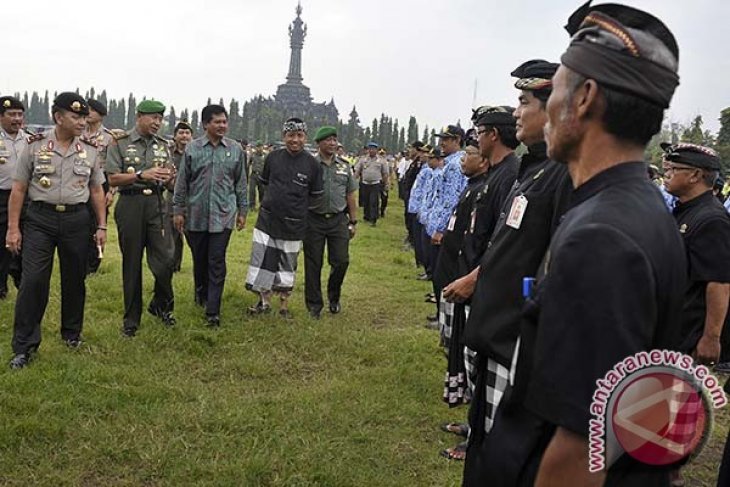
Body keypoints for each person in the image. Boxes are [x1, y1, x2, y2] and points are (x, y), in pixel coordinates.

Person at [475, 4, 685, 485]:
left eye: (558, 89)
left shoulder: (600, 238)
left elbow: (579, 445)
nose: (547, 106)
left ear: (585, 98)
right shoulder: (635, 208)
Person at [440, 60, 572, 483]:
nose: (517, 113)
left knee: (505, 462)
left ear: (554, 108)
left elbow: (553, 268)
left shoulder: (560, 176)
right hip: (494, 337)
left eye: (524, 102)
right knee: (484, 449)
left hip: (516, 341)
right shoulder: (533, 171)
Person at [435, 118, 519, 461]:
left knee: (484, 367)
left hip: (485, 285)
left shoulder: (509, 175)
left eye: (477, 137)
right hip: (470, 276)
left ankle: (481, 440)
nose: (474, 144)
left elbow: (501, 243)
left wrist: (475, 277)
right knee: (472, 364)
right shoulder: (494, 176)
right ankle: (474, 426)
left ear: (492, 137)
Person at [5, 93, 107, 368]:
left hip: (77, 220)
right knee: (34, 281)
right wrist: (13, 229)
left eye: (84, 117)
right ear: (58, 117)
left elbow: (96, 189)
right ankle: (24, 346)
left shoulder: (90, 149)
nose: (81, 122)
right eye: (75, 117)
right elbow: (19, 188)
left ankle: (71, 334)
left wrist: (101, 225)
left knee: (75, 279)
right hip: (40, 220)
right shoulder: (35, 146)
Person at [662, 143, 730, 486]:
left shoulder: (711, 219)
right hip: (670, 332)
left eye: (675, 168)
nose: (666, 172)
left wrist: (711, 336)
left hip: (688, 337)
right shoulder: (683, 211)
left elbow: (718, 283)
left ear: (696, 175)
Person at [106, 99, 176, 337]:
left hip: (158, 203)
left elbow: (169, 178)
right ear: (139, 117)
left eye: (160, 118)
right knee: (132, 263)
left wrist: (169, 178)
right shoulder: (120, 143)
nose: (157, 123)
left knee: (166, 259)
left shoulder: (163, 145)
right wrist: (140, 174)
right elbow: (112, 178)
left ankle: (161, 305)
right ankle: (131, 320)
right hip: (131, 204)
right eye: (153, 118)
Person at [173, 105, 247, 327]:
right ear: (206, 124)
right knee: (200, 259)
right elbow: (182, 183)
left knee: (216, 261)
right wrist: (178, 210)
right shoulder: (192, 149)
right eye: (217, 122)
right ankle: (201, 293)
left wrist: (243, 210)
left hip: (223, 216)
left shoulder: (235, 150)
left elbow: (241, 183)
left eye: (224, 121)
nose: (222, 125)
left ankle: (213, 311)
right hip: (195, 216)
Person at [245, 118, 323, 319]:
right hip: (267, 221)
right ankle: (264, 302)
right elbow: (264, 183)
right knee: (264, 261)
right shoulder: (273, 158)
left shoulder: (312, 164)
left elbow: (315, 197)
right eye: (290, 135)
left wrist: (298, 211)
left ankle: (284, 305)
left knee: (287, 265)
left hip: (294, 224)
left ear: (305, 137)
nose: (294, 140)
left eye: (299, 135)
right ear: (284, 137)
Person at [303, 126, 358, 319]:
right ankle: (314, 305)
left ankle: (334, 298)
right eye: (328, 140)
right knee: (313, 263)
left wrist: (353, 221)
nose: (333, 143)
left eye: (335, 140)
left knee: (341, 261)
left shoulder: (344, 165)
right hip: (313, 220)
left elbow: (350, 194)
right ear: (319, 143)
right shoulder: (309, 164)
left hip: (338, 221)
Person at [0, 96, 29, 299]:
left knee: (27, 241)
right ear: (1, 117)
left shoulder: (29, 140)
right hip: (2, 197)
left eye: (20, 114)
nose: (17, 119)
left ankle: (22, 279)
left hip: (27, 199)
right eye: (12, 114)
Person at [82, 99, 115, 274]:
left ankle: (93, 264)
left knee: (97, 223)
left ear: (100, 115)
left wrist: (111, 191)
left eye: (92, 111)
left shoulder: (109, 138)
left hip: (101, 184)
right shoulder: (79, 133)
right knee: (81, 223)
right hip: (80, 182)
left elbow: (114, 167)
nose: (88, 113)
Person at [169, 120, 193, 272]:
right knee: (172, 235)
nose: (184, 136)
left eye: (187, 133)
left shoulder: (197, 152)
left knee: (193, 234)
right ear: (175, 136)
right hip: (171, 198)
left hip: (192, 200)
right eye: (181, 133)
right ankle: (174, 266)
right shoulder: (168, 153)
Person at [354, 142, 388, 225]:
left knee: (374, 201)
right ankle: (366, 217)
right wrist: (353, 180)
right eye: (370, 149)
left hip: (376, 183)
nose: (371, 150)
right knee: (366, 201)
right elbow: (357, 171)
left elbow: (385, 173)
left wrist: (385, 184)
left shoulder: (381, 160)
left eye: (373, 149)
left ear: (376, 150)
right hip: (365, 183)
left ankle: (373, 219)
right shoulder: (363, 159)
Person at [249, 140, 266, 210]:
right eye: (257, 147)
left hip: (262, 176)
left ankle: (261, 205)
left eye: (260, 146)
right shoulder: (252, 155)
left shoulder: (266, 155)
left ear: (262, 147)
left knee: (262, 191)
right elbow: (248, 164)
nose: (259, 148)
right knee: (252, 191)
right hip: (254, 174)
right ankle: (252, 206)